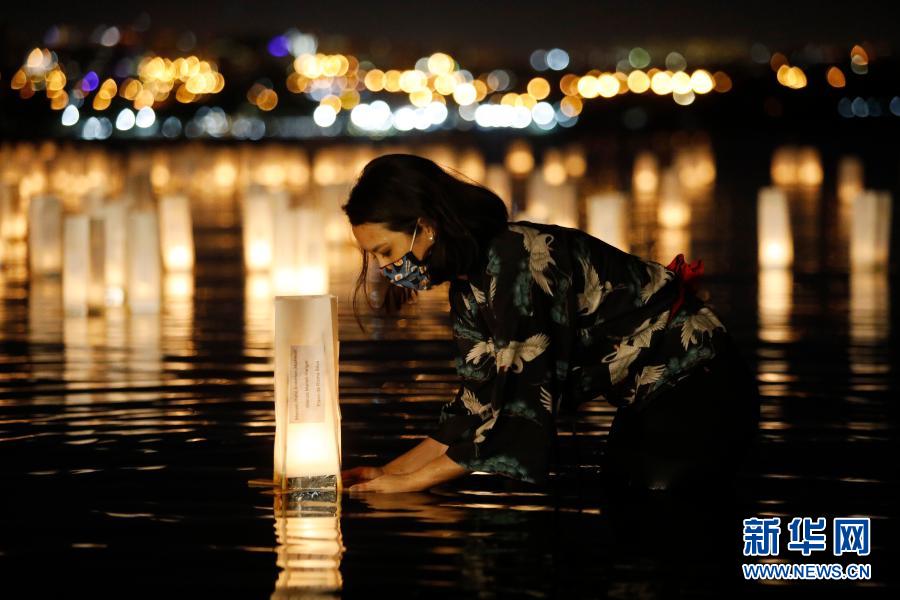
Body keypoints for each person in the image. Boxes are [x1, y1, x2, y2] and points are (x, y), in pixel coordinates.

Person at [340, 153, 760, 494]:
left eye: (385, 251)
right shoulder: (469, 283)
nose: (384, 267)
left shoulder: (517, 262)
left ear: (425, 227)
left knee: (656, 507)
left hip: (697, 384)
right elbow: (474, 407)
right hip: (646, 396)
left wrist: (408, 485)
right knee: (623, 499)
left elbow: (521, 411)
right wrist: (387, 474)